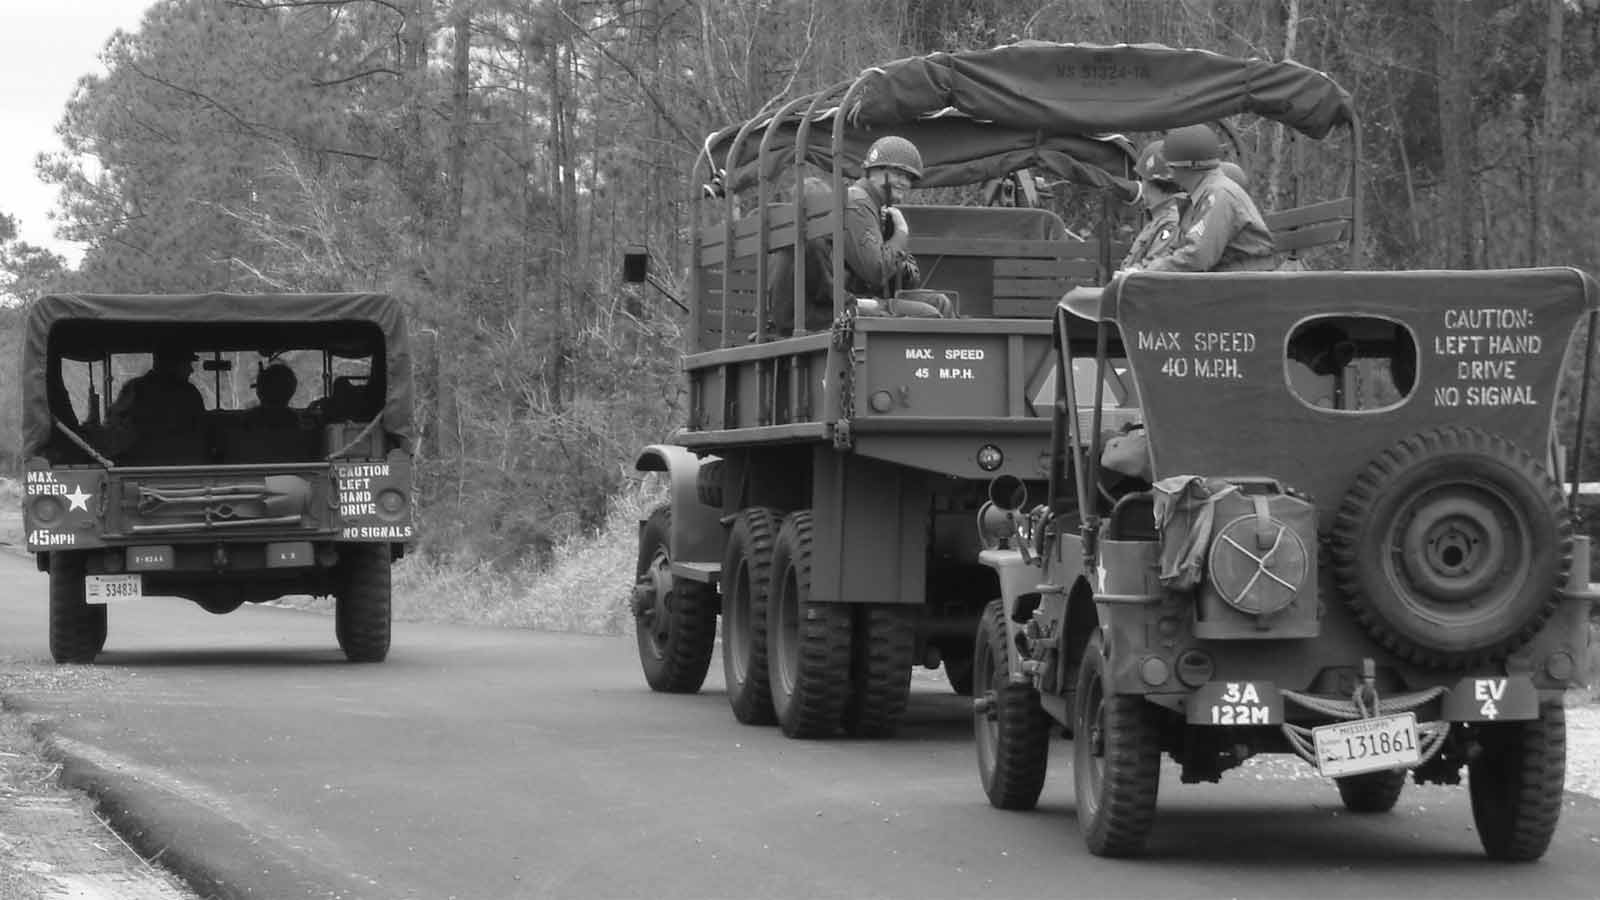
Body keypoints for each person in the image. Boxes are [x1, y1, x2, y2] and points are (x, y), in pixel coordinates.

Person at [766, 136, 951, 335]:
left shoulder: (878, 210)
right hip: (830, 310)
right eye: (897, 174)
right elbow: (876, 272)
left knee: (939, 302)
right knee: (929, 312)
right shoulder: (858, 204)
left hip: (844, 300)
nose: (904, 182)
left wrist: (895, 244)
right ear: (873, 172)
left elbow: (906, 279)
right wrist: (900, 234)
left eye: (908, 178)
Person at [1142, 125, 1276, 273]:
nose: (1170, 173)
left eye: (1171, 167)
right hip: (1224, 281)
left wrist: (1147, 272)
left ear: (1186, 167)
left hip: (1245, 284)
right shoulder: (1199, 198)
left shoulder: (1220, 195)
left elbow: (1198, 257)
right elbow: (1178, 248)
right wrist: (1143, 270)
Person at [103, 345, 208, 462]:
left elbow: (115, 428)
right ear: (171, 364)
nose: (191, 370)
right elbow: (201, 430)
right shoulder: (189, 394)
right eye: (186, 364)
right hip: (183, 465)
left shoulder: (135, 388)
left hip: (141, 468)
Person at [1119, 139, 1185, 271]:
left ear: (1147, 181)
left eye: (1142, 179)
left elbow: (1151, 270)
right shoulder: (1160, 216)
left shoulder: (1170, 221)